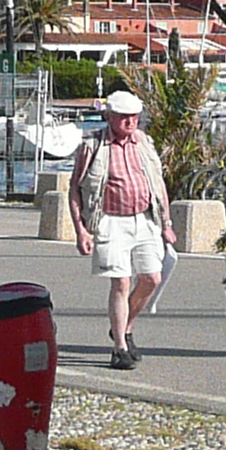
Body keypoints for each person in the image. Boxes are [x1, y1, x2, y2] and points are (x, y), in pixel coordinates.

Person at [68, 87, 169, 369]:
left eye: (135, 117)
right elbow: (74, 189)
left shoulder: (144, 142)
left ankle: (124, 326)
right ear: (110, 117)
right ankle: (119, 348)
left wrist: (167, 223)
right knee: (121, 282)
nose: (130, 122)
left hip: (145, 219)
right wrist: (81, 230)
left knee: (152, 278)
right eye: (124, 117)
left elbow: (158, 184)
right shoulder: (93, 145)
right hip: (110, 221)